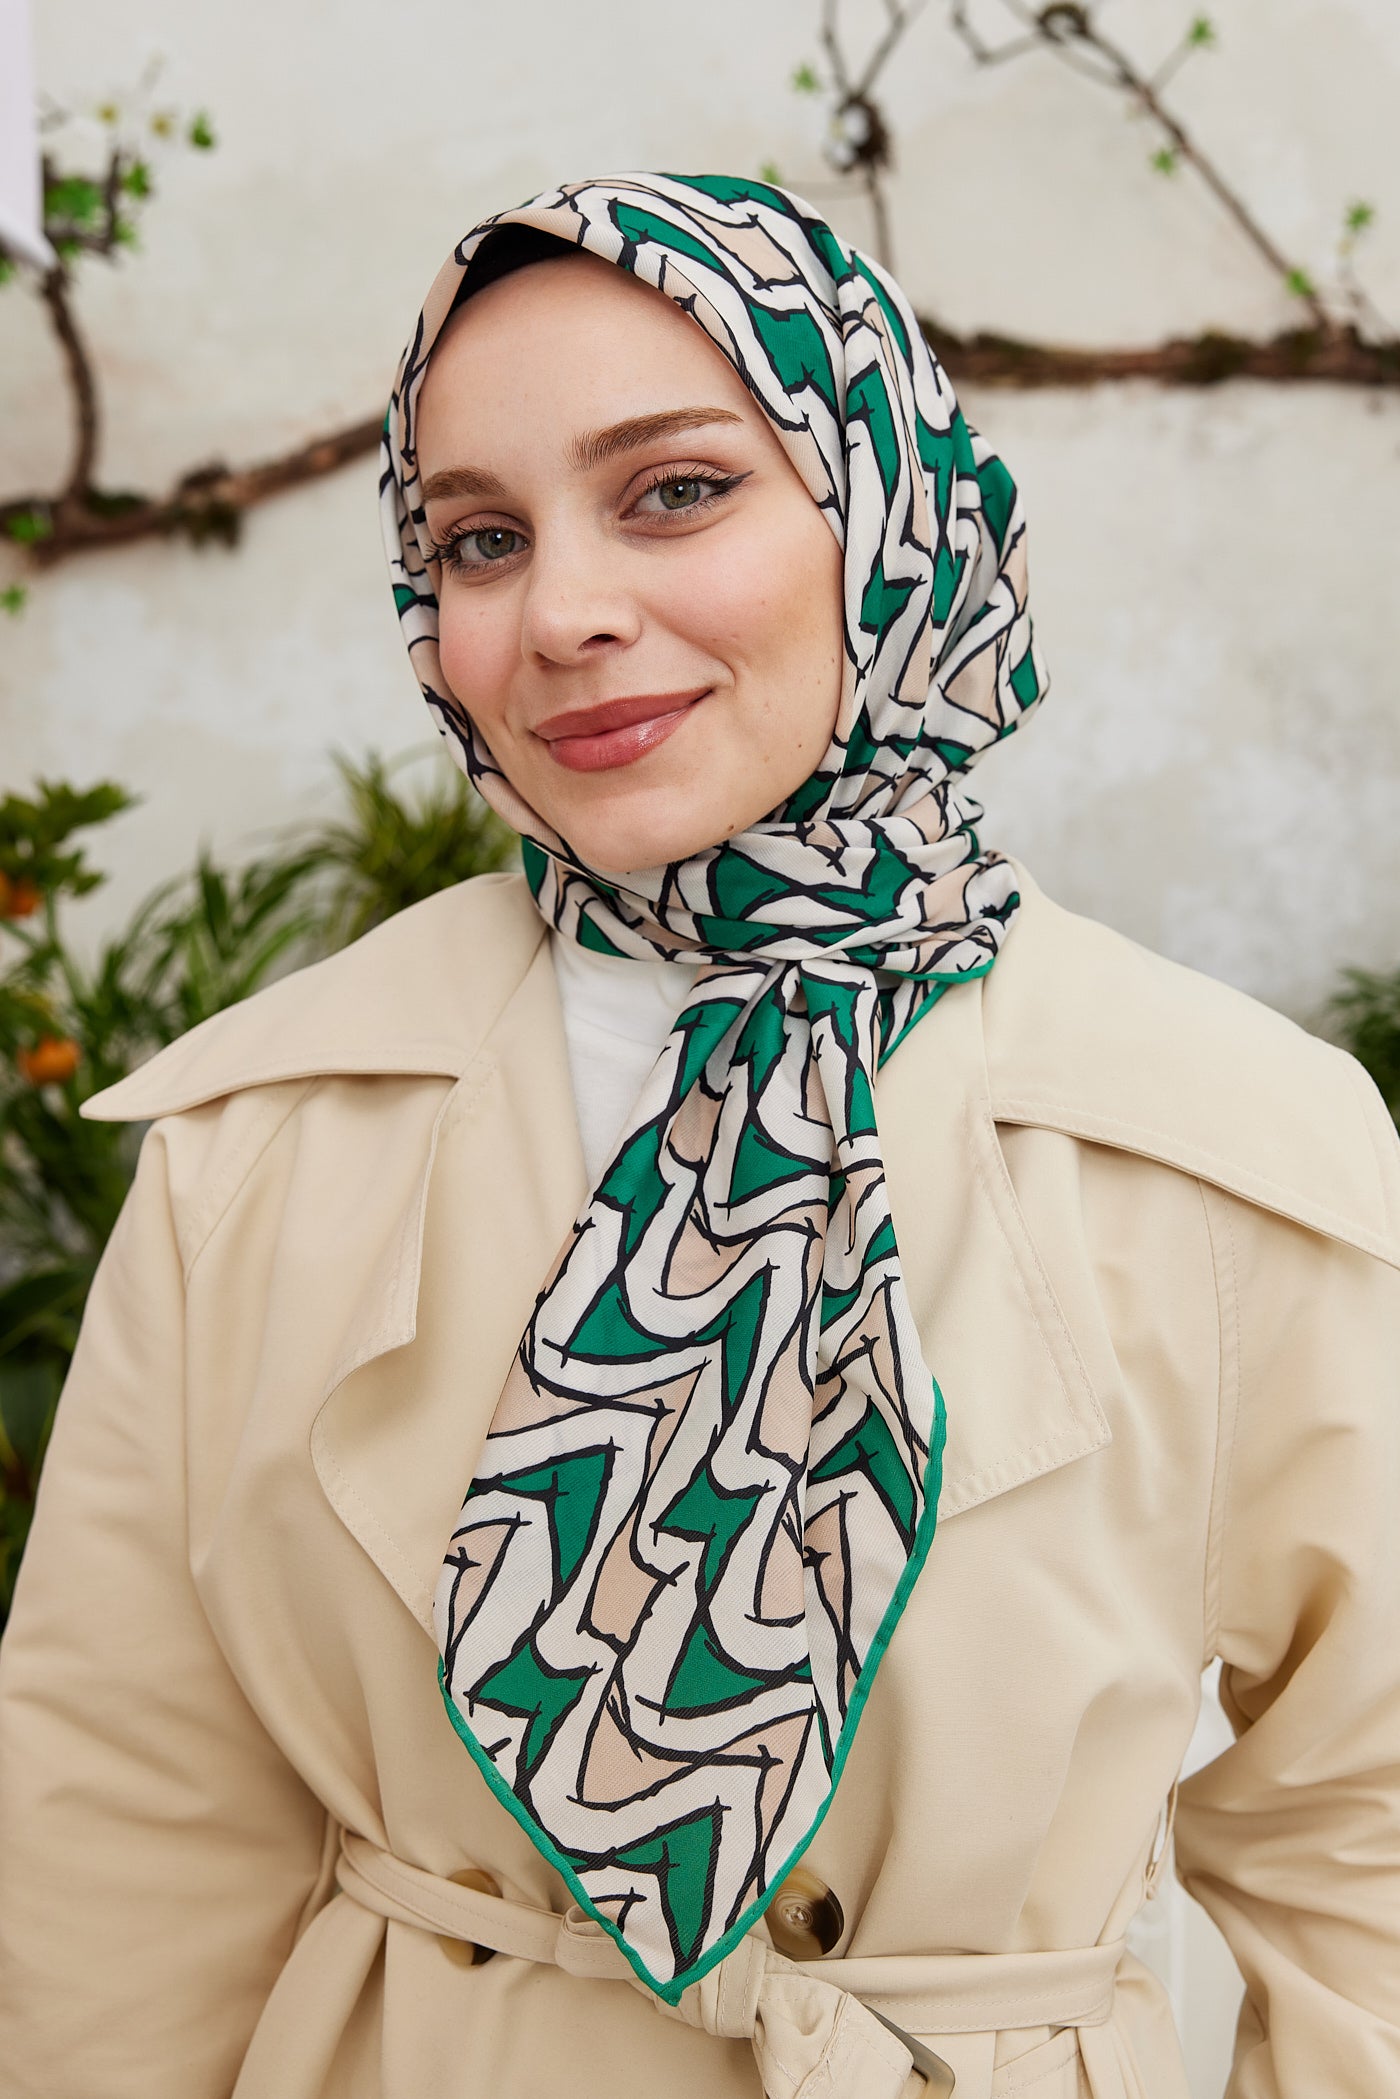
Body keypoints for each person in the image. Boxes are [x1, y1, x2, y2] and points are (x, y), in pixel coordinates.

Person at [1, 173, 1397, 2099]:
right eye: (478, 539)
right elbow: (126, 1829)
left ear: (883, 514)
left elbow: (1362, 1845)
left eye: (674, 491)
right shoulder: (260, 1142)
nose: (563, 612)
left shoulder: (1233, 1141)